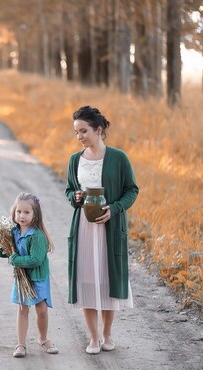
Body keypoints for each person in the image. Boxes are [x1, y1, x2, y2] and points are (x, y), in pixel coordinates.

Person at [65, 105, 139, 354]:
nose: (79, 137)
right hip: (84, 228)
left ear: (99, 130)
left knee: (108, 279)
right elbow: (68, 191)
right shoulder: (75, 160)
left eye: (83, 131)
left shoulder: (118, 158)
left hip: (109, 227)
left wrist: (115, 208)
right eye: (76, 132)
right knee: (87, 280)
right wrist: (74, 197)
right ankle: (93, 338)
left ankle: (107, 335)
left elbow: (132, 190)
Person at [0, 192, 58, 358]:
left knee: (41, 310)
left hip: (37, 277)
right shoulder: (14, 232)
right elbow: (10, 252)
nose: (22, 216)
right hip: (22, 278)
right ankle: (21, 344)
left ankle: (43, 339)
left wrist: (15, 259)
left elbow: (35, 260)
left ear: (35, 214)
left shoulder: (37, 236)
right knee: (22, 309)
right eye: (19, 212)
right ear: (14, 212)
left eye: (27, 212)